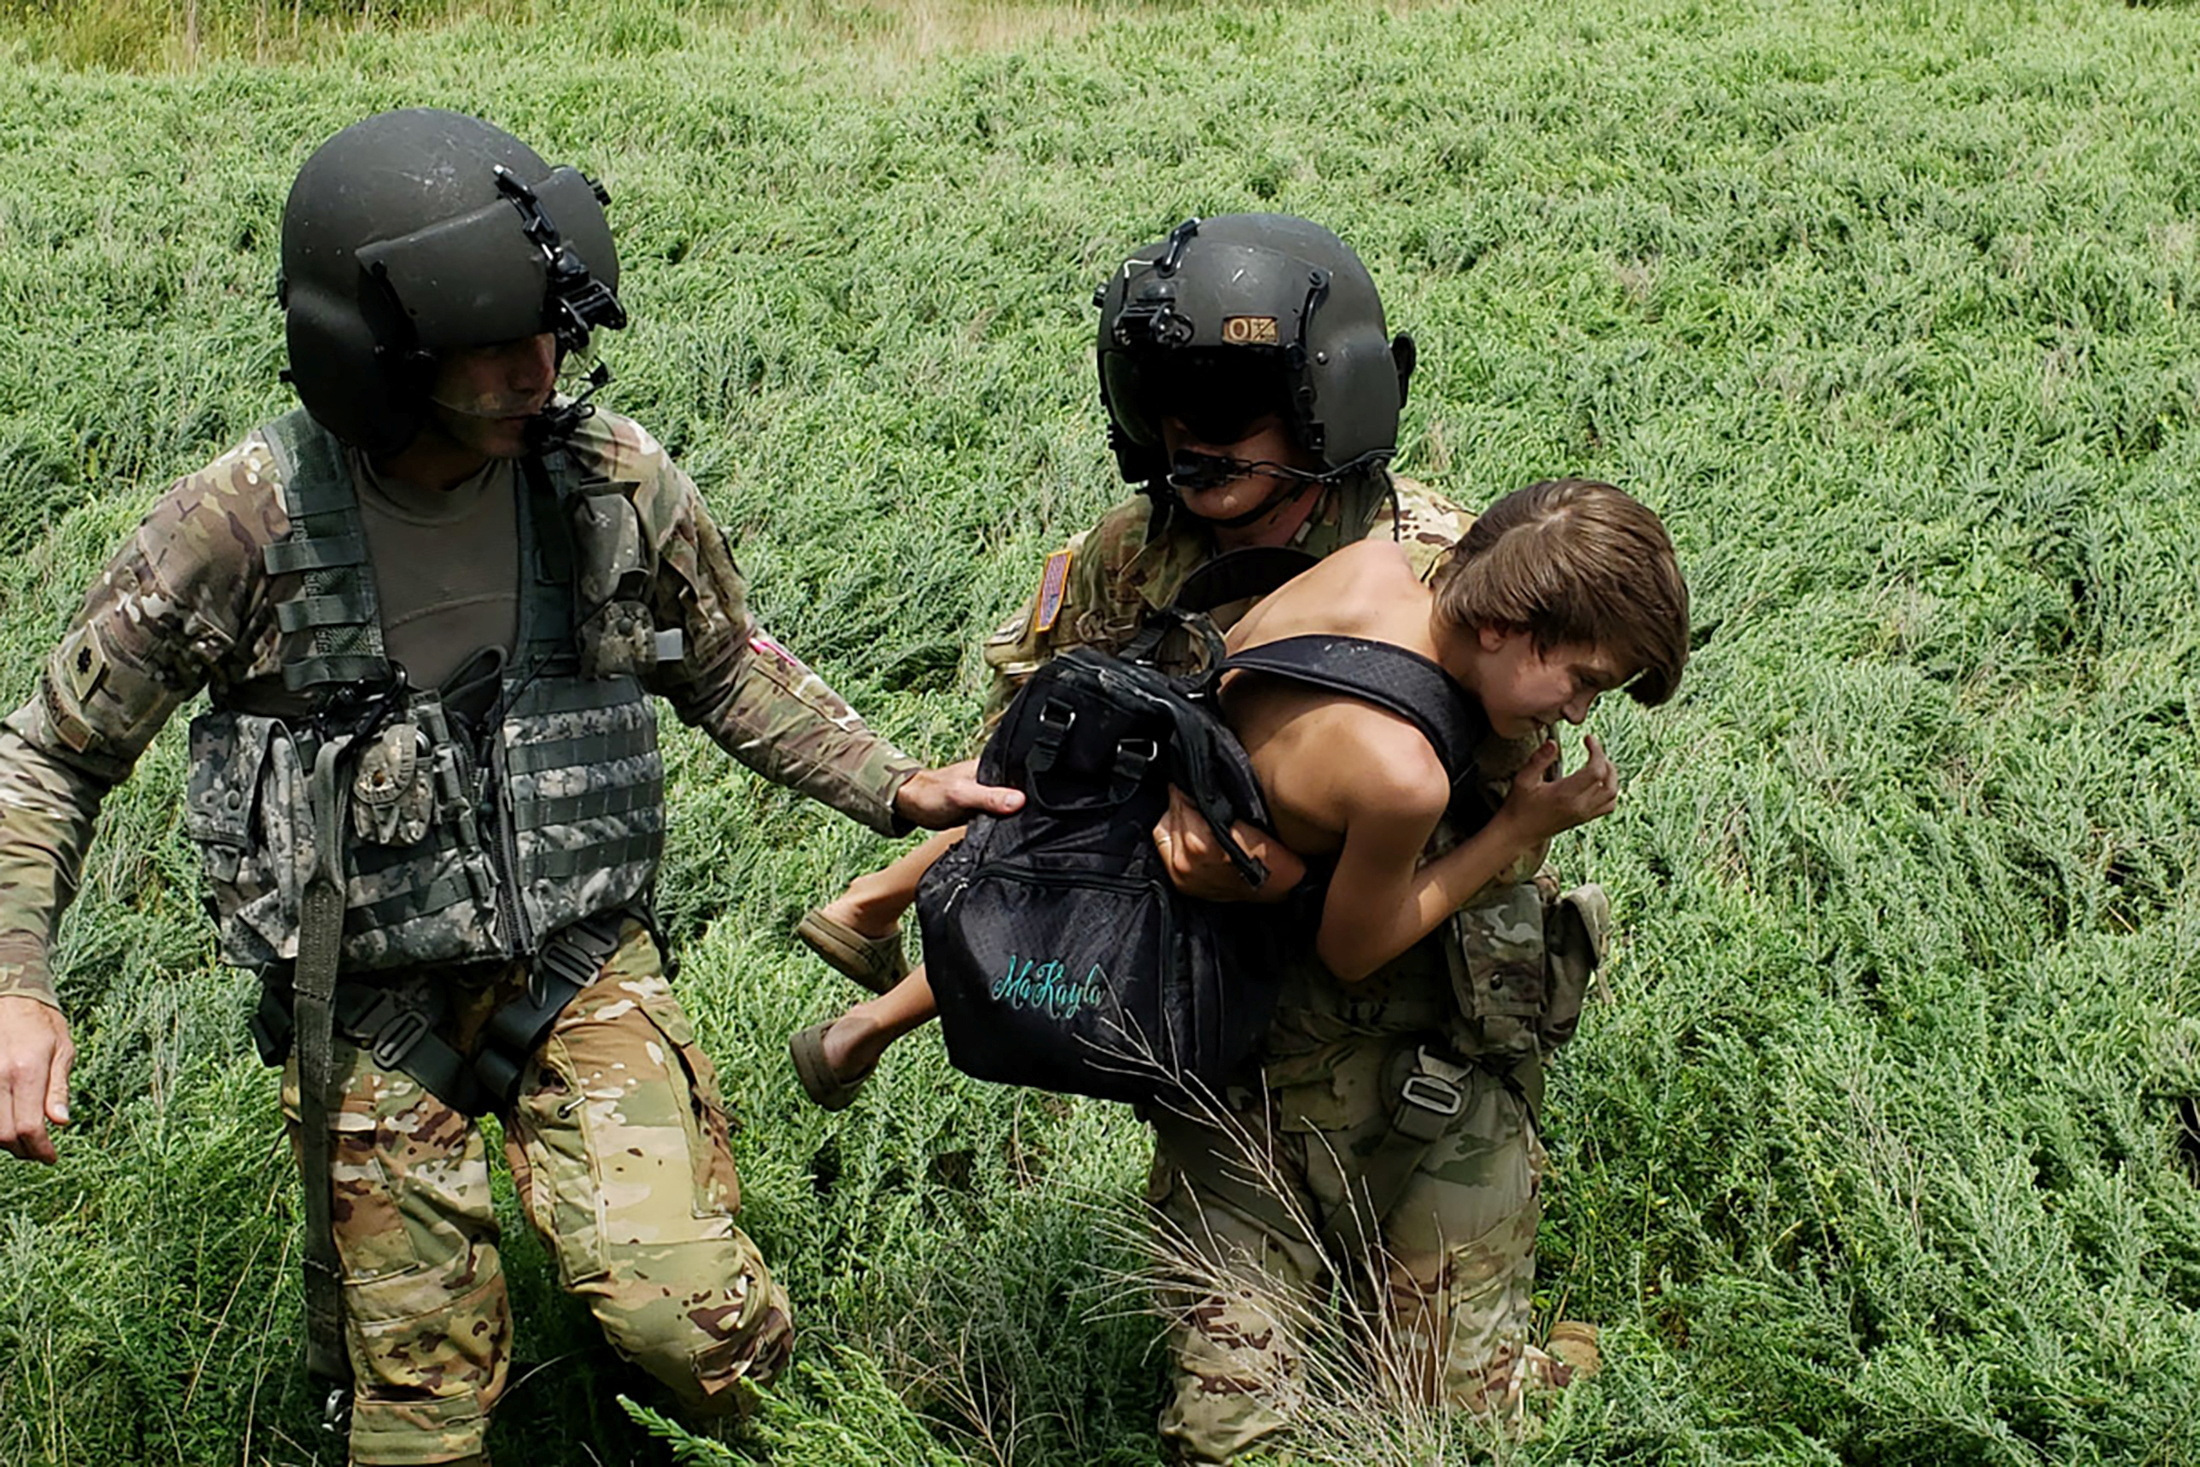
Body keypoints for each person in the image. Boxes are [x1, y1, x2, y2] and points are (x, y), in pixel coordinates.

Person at [0, 108, 1017, 1467]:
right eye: (492, 343)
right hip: (362, 1000)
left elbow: (724, 664)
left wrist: (897, 785)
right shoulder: (238, 524)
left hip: (579, 962)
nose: (537, 371)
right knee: (421, 1420)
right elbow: (52, 753)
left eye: (552, 333)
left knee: (688, 1326)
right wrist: (19, 980)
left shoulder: (611, 482)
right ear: (380, 352)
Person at [785, 214, 1633, 1459]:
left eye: (1237, 399)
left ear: (1325, 402)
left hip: (1424, 1042)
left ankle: (1490, 1343)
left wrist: (1291, 852)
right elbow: (1037, 793)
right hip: (1229, 1057)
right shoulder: (1130, 563)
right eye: (1170, 397)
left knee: (1448, 1426)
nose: (1196, 431)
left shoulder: (1448, 567)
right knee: (1233, 1437)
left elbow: (1505, 800)